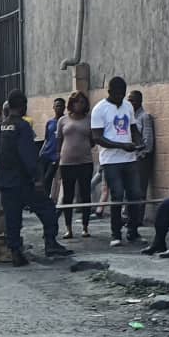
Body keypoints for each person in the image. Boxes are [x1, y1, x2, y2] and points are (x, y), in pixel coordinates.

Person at [0, 90, 72, 266]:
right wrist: (38, 178)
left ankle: (15, 252)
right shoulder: (22, 127)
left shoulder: (1, 127)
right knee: (47, 209)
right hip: (24, 181)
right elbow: (28, 155)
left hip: (7, 182)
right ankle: (50, 243)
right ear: (23, 106)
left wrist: (0, 179)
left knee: (12, 219)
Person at [91, 76, 144, 247]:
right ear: (109, 91)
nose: (120, 97)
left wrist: (139, 141)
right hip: (110, 160)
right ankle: (116, 234)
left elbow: (133, 129)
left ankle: (133, 231)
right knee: (117, 195)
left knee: (135, 194)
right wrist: (121, 146)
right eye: (117, 94)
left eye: (123, 93)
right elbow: (97, 138)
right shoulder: (100, 109)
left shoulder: (127, 106)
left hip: (130, 158)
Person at [56, 91, 94, 239]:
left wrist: (83, 148)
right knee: (68, 195)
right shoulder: (63, 120)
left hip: (85, 162)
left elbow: (93, 140)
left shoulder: (89, 120)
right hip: (67, 162)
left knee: (85, 194)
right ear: (71, 104)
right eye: (77, 102)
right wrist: (59, 157)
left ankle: (85, 226)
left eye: (82, 102)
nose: (80, 104)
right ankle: (68, 228)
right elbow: (59, 140)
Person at [128, 90, 156, 208]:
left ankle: (138, 216)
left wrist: (140, 155)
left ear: (139, 101)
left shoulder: (145, 117)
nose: (130, 103)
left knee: (139, 190)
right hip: (129, 158)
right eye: (128, 101)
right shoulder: (130, 117)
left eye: (132, 101)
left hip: (141, 159)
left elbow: (148, 141)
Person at [39, 97, 64, 198]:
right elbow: (46, 139)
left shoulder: (65, 121)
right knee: (42, 180)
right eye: (56, 106)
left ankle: (47, 200)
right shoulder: (50, 122)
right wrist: (41, 152)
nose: (58, 108)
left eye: (60, 106)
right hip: (46, 154)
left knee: (48, 179)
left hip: (56, 156)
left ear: (64, 107)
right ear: (53, 107)